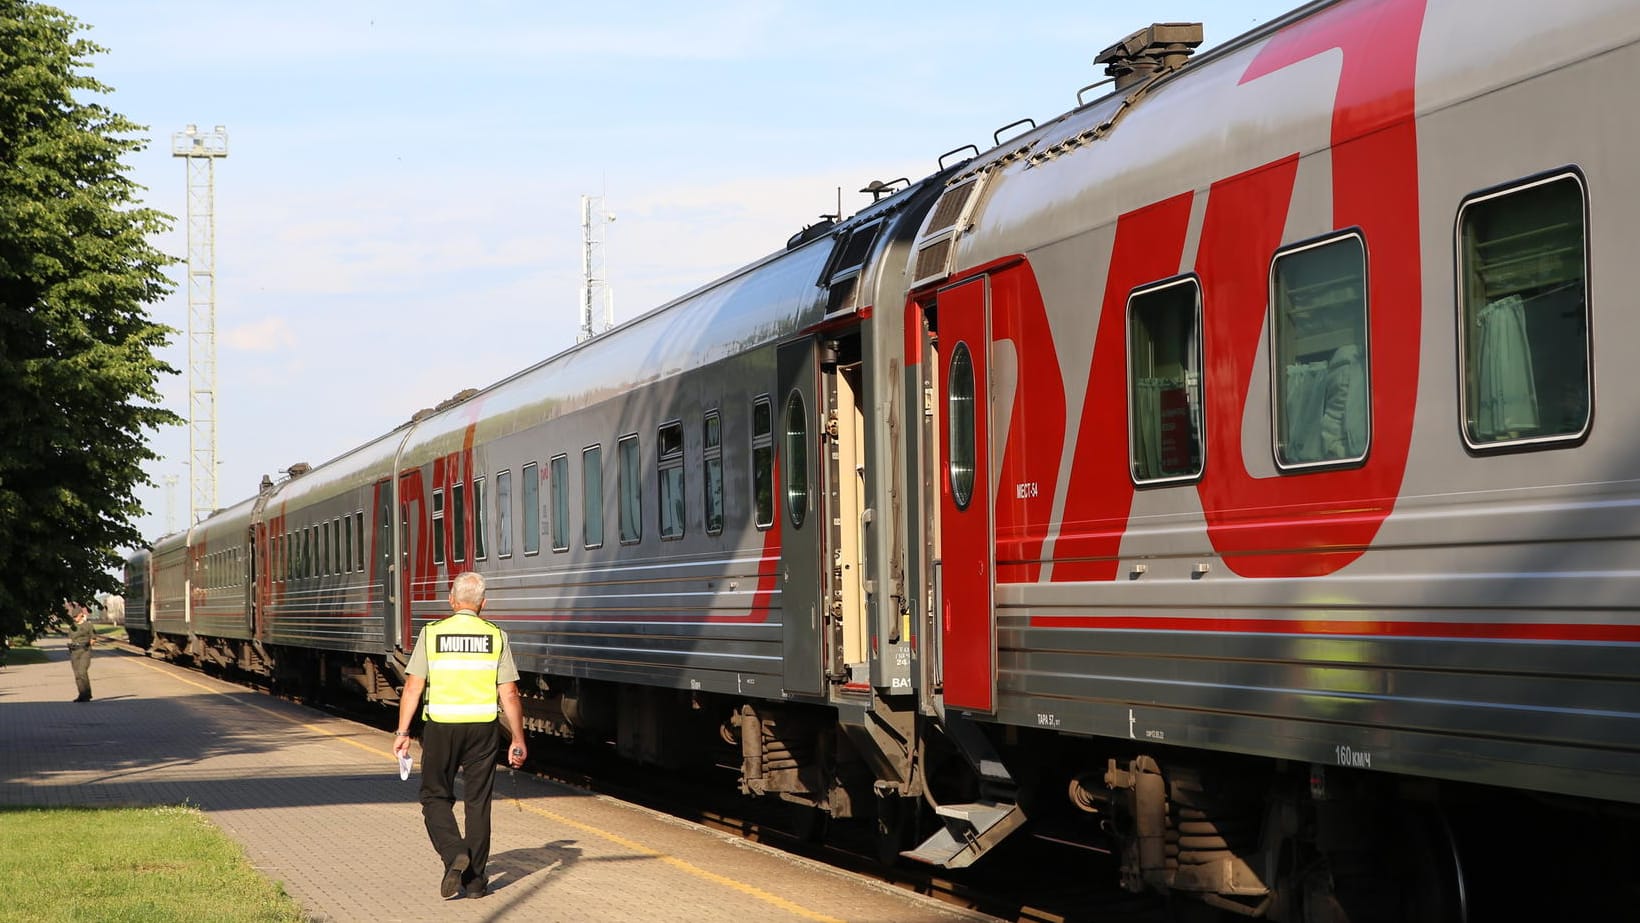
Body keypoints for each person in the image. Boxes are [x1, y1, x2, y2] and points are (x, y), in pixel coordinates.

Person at [392, 571, 527, 899]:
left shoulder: (433, 633)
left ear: (452, 601)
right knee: (478, 804)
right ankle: (477, 883)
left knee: (435, 797)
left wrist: (403, 730)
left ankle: (454, 854)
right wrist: (519, 740)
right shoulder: (496, 635)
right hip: (483, 728)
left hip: (442, 726)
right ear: (483, 603)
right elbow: (508, 693)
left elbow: (413, 685)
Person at [67, 603, 96, 702]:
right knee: (77, 675)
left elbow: (93, 638)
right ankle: (81, 695)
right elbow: (70, 638)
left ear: (81, 614)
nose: (75, 618)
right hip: (74, 652)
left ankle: (87, 693)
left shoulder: (88, 625)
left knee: (82, 672)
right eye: (73, 617)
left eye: (76, 616)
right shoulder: (72, 627)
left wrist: (89, 645)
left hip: (85, 651)